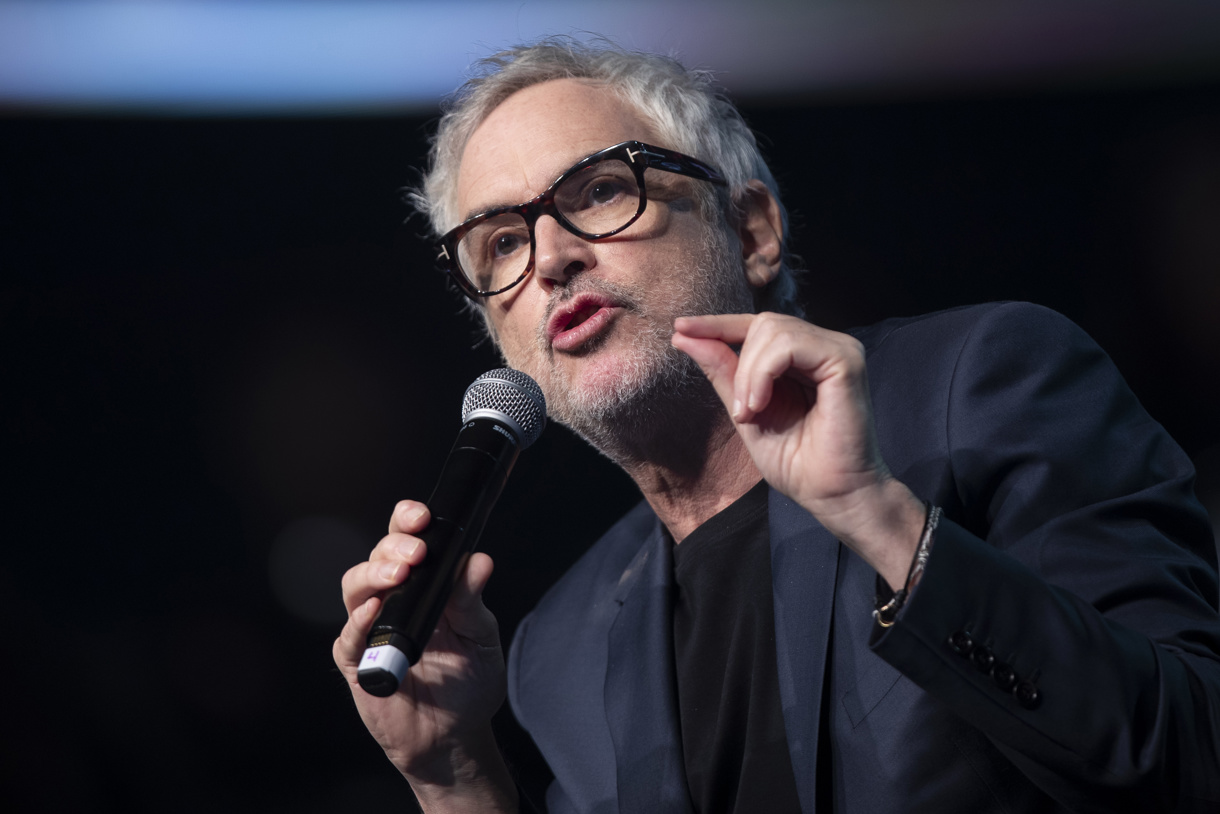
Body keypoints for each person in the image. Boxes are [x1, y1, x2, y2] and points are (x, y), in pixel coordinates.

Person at [333, 40, 1220, 813]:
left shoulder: (981, 383)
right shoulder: (559, 649)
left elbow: (1190, 756)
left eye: (601, 190)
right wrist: (454, 775)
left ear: (752, 230)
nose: (552, 256)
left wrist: (882, 518)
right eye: (499, 243)